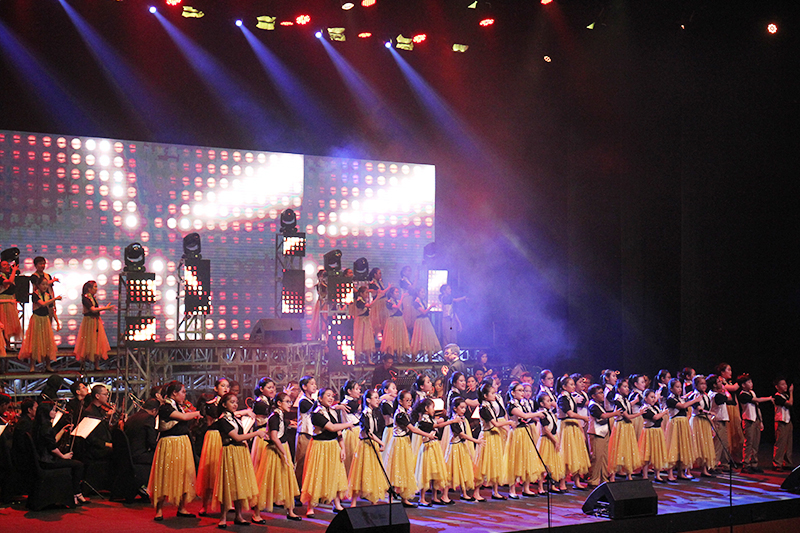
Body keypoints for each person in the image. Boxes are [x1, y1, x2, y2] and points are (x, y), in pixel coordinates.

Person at [148, 380, 203, 521]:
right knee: (165, 475)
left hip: (182, 443)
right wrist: (198, 412)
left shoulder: (179, 406)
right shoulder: (165, 408)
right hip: (170, 443)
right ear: (174, 393)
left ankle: (182, 507)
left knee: (184, 474)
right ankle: (159, 510)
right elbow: (183, 417)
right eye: (183, 392)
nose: (185, 395)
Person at [300, 388, 354, 517]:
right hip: (320, 446)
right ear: (320, 398)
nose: (331, 398)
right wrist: (349, 424)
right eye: (328, 396)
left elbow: (338, 432)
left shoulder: (333, 412)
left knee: (336, 474)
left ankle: (337, 503)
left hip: (333, 446)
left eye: (332, 396)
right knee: (317, 475)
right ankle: (311, 507)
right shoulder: (316, 414)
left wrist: (342, 448)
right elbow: (332, 427)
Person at [212, 393, 264, 528]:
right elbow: (237, 437)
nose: (235, 405)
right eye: (232, 402)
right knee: (228, 484)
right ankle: (223, 517)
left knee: (239, 484)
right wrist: (256, 433)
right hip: (230, 452)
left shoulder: (235, 418)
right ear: (224, 405)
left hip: (240, 452)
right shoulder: (223, 420)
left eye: (236, 402)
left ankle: (238, 515)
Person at [254, 392, 301, 520]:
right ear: (279, 403)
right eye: (287, 401)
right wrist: (284, 453)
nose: (290, 404)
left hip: (282, 447)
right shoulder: (274, 417)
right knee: (266, 481)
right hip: (274, 450)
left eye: (290, 402)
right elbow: (274, 437)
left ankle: (290, 510)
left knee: (288, 478)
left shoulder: (280, 416)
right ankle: (256, 513)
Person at [34, 400, 88, 506]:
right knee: (78, 465)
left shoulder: (40, 425)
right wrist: (63, 456)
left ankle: (75, 492)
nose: (55, 412)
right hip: (48, 462)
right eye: (53, 410)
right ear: (47, 412)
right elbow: (52, 448)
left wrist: (63, 430)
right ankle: (76, 492)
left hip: (42, 460)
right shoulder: (46, 428)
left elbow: (52, 441)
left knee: (75, 464)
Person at [385, 389, 431, 507]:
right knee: (397, 469)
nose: (409, 403)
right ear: (400, 401)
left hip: (404, 442)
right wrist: (428, 435)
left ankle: (404, 498)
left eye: (410, 400)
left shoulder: (405, 412)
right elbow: (413, 429)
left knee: (406, 469)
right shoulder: (400, 415)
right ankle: (391, 499)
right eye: (407, 400)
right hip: (399, 443)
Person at [473, 382, 514, 501]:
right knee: (483, 464)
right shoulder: (484, 408)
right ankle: (476, 492)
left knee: (496, 463)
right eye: (492, 393)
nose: (494, 395)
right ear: (485, 396)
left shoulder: (491, 405)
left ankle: (495, 491)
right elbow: (495, 423)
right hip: (487, 436)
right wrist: (509, 423)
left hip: (494, 436)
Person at [348, 389, 389, 506]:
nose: (378, 400)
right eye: (375, 398)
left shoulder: (374, 414)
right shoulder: (365, 414)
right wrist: (381, 442)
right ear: (368, 400)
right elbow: (368, 433)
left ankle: (373, 500)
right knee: (360, 472)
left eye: (378, 398)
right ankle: (353, 502)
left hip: (372, 444)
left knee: (372, 471)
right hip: (365, 445)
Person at [506, 381, 545, 498]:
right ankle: (512, 489)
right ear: (513, 393)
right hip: (517, 433)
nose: (522, 393)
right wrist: (537, 414)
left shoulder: (523, 404)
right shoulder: (511, 406)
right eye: (519, 390)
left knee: (527, 459)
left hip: (525, 432)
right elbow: (524, 416)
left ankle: (526, 488)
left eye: (523, 390)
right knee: (515, 460)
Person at [413, 398, 456, 506]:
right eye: (432, 407)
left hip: (434, 447)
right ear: (426, 408)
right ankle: (422, 498)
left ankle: (434, 497)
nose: (434, 409)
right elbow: (435, 426)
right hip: (427, 448)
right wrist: (451, 421)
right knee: (426, 472)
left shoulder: (430, 419)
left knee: (435, 472)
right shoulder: (423, 421)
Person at [196, 378, 229, 516]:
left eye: (227, 386)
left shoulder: (231, 404)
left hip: (225, 436)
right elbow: (214, 418)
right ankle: (204, 505)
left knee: (226, 471)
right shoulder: (210, 404)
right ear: (216, 388)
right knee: (210, 472)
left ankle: (227, 503)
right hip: (214, 437)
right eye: (222, 386)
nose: (226, 388)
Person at [444, 397, 483, 501]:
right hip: (454, 447)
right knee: (451, 471)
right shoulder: (453, 421)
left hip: (462, 447)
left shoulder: (463, 420)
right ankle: (445, 495)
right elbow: (461, 434)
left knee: (464, 469)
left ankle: (464, 493)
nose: (464, 410)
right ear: (455, 408)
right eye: (461, 408)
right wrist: (475, 441)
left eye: (465, 408)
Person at [19, 276, 60, 372]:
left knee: (47, 342)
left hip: (45, 320)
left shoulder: (48, 295)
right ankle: (32, 366)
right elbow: (42, 304)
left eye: (46, 284)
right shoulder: (35, 295)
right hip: (37, 320)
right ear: (38, 285)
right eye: (43, 284)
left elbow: (51, 310)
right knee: (35, 342)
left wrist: (57, 322)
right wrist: (55, 299)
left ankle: (48, 365)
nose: (45, 286)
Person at [556, 375, 591, 490]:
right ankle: (562, 483)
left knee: (576, 453)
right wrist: (583, 417)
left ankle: (577, 481)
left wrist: (580, 429)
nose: (573, 386)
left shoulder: (571, 397)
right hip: (565, 426)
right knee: (565, 454)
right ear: (564, 386)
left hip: (573, 426)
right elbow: (570, 413)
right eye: (571, 385)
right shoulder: (562, 398)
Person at [73, 281, 114, 371]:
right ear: (89, 289)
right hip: (89, 321)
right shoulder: (86, 298)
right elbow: (92, 309)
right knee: (87, 342)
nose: (96, 289)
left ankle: (96, 365)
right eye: (95, 287)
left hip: (95, 321)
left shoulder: (93, 297)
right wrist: (106, 308)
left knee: (96, 342)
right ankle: (83, 365)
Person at [607, 378, 642, 482]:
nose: (627, 389)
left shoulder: (625, 400)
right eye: (624, 387)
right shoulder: (618, 400)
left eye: (627, 387)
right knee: (618, 449)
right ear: (619, 389)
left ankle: (629, 474)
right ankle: (613, 475)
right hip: (621, 426)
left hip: (627, 427)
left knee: (628, 449)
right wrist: (640, 413)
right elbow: (627, 416)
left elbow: (628, 407)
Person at [737, 373, 773, 474]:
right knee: (749, 443)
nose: (751, 384)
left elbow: (757, 407)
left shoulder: (752, 392)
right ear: (743, 385)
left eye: (751, 382)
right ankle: (746, 464)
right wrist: (769, 398)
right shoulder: (743, 395)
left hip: (756, 419)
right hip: (748, 420)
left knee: (756, 443)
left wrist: (760, 421)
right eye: (748, 382)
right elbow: (757, 400)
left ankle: (754, 463)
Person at [666, 378, 700, 480]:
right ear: (671, 389)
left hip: (683, 423)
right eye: (677, 387)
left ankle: (681, 472)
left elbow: (684, 401)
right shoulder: (670, 399)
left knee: (682, 447)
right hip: (676, 423)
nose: (679, 389)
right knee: (673, 447)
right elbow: (682, 406)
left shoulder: (680, 398)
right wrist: (695, 400)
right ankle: (670, 474)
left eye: (680, 387)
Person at [125, 398, 160, 497]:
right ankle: (154, 489)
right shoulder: (149, 418)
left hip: (129, 454)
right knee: (163, 457)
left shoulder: (132, 417)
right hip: (140, 455)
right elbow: (151, 442)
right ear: (154, 410)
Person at [586, 384, 620, 487]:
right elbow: (602, 416)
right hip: (596, 434)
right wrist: (615, 413)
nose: (602, 395)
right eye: (600, 393)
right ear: (593, 396)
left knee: (604, 458)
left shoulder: (599, 405)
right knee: (596, 458)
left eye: (602, 392)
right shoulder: (593, 405)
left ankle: (603, 478)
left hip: (604, 433)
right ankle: (594, 480)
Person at [536, 391, 566, 493]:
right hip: (546, 440)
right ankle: (540, 487)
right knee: (544, 464)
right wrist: (554, 440)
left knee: (553, 463)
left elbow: (554, 428)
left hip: (553, 438)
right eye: (548, 401)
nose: (550, 403)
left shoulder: (551, 413)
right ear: (542, 403)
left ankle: (552, 485)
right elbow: (546, 430)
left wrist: (557, 439)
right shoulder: (542, 414)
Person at [638, 390, 671, 482]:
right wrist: (664, 412)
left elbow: (659, 420)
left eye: (654, 397)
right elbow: (655, 417)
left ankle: (657, 475)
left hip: (657, 432)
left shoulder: (655, 407)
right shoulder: (645, 408)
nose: (653, 399)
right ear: (645, 398)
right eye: (651, 397)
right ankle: (645, 475)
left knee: (657, 454)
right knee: (647, 455)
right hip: (649, 432)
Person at [688, 375, 717, 478]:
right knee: (694, 445)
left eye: (705, 384)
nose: (704, 386)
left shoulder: (706, 396)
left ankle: (705, 469)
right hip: (697, 421)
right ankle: (688, 470)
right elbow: (698, 408)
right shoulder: (694, 396)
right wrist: (709, 412)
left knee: (705, 445)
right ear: (696, 385)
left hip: (705, 422)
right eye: (701, 384)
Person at [707, 374, 734, 472]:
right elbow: (729, 399)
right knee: (718, 444)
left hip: (722, 420)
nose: (721, 383)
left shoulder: (715, 394)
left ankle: (725, 464)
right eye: (719, 382)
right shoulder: (715, 395)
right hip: (717, 421)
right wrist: (725, 389)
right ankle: (712, 465)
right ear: (714, 385)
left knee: (725, 444)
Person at [294, 375, 317, 488]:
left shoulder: (312, 400)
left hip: (311, 434)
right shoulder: (303, 401)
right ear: (304, 387)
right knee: (301, 463)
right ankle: (297, 488)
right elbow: (314, 408)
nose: (315, 386)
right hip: (304, 435)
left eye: (315, 384)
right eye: (312, 384)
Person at [250, 376, 277, 468]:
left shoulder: (268, 401)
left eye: (273, 387)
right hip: (262, 434)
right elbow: (271, 413)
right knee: (262, 464)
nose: (272, 390)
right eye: (269, 388)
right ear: (261, 389)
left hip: (268, 432)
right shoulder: (259, 403)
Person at [338, 380, 362, 474]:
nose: (359, 391)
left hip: (354, 431)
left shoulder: (350, 401)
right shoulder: (348, 402)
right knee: (354, 459)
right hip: (353, 432)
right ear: (349, 391)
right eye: (356, 389)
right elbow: (364, 407)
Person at [29, 257, 59, 329]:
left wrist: (53, 302)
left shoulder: (47, 276)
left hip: (48, 299)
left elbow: (51, 289)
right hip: (39, 301)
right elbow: (40, 284)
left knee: (49, 322)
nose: (42, 266)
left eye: (44, 264)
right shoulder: (34, 276)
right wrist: (53, 280)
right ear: (35, 265)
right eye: (40, 264)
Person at [409, 288, 441, 356]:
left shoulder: (423, 301)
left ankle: (430, 357)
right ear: (418, 293)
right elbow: (423, 312)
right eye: (422, 292)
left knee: (428, 337)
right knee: (418, 338)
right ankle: (414, 357)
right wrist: (431, 306)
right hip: (420, 322)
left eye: (424, 292)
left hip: (426, 321)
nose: (423, 294)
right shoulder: (416, 302)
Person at [380, 287, 410, 357]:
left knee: (399, 338)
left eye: (398, 292)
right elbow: (397, 307)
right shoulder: (388, 302)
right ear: (391, 293)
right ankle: (391, 356)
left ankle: (399, 356)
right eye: (396, 292)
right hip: (393, 321)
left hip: (400, 320)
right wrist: (402, 297)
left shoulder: (398, 301)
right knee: (392, 339)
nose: (398, 294)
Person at [773, 378, 794, 471]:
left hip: (788, 421)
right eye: (782, 384)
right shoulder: (777, 397)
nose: (785, 386)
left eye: (785, 384)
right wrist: (791, 392)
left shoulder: (785, 395)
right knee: (780, 443)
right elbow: (789, 404)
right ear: (777, 387)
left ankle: (787, 462)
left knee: (788, 443)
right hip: (781, 421)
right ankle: (777, 463)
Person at [0, 260, 22, 349]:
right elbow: (8, 282)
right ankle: (5, 345)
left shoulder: (9, 276)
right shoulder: (1, 277)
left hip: (10, 302)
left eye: (7, 264)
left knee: (9, 325)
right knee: (4, 325)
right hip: (2, 303)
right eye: (4, 265)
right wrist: (14, 271)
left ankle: (8, 345)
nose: (7, 266)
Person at [353, 286, 375, 358]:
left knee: (367, 339)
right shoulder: (359, 301)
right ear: (361, 293)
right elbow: (369, 306)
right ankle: (357, 359)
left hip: (366, 321)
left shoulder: (364, 300)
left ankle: (368, 358)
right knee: (359, 339)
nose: (367, 294)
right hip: (361, 322)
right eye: (366, 293)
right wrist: (378, 298)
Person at [367, 268, 390, 338]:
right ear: (375, 274)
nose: (381, 275)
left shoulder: (380, 282)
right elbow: (381, 293)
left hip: (383, 303)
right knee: (376, 324)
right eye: (379, 273)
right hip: (378, 304)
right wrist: (389, 287)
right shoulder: (372, 284)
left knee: (384, 324)